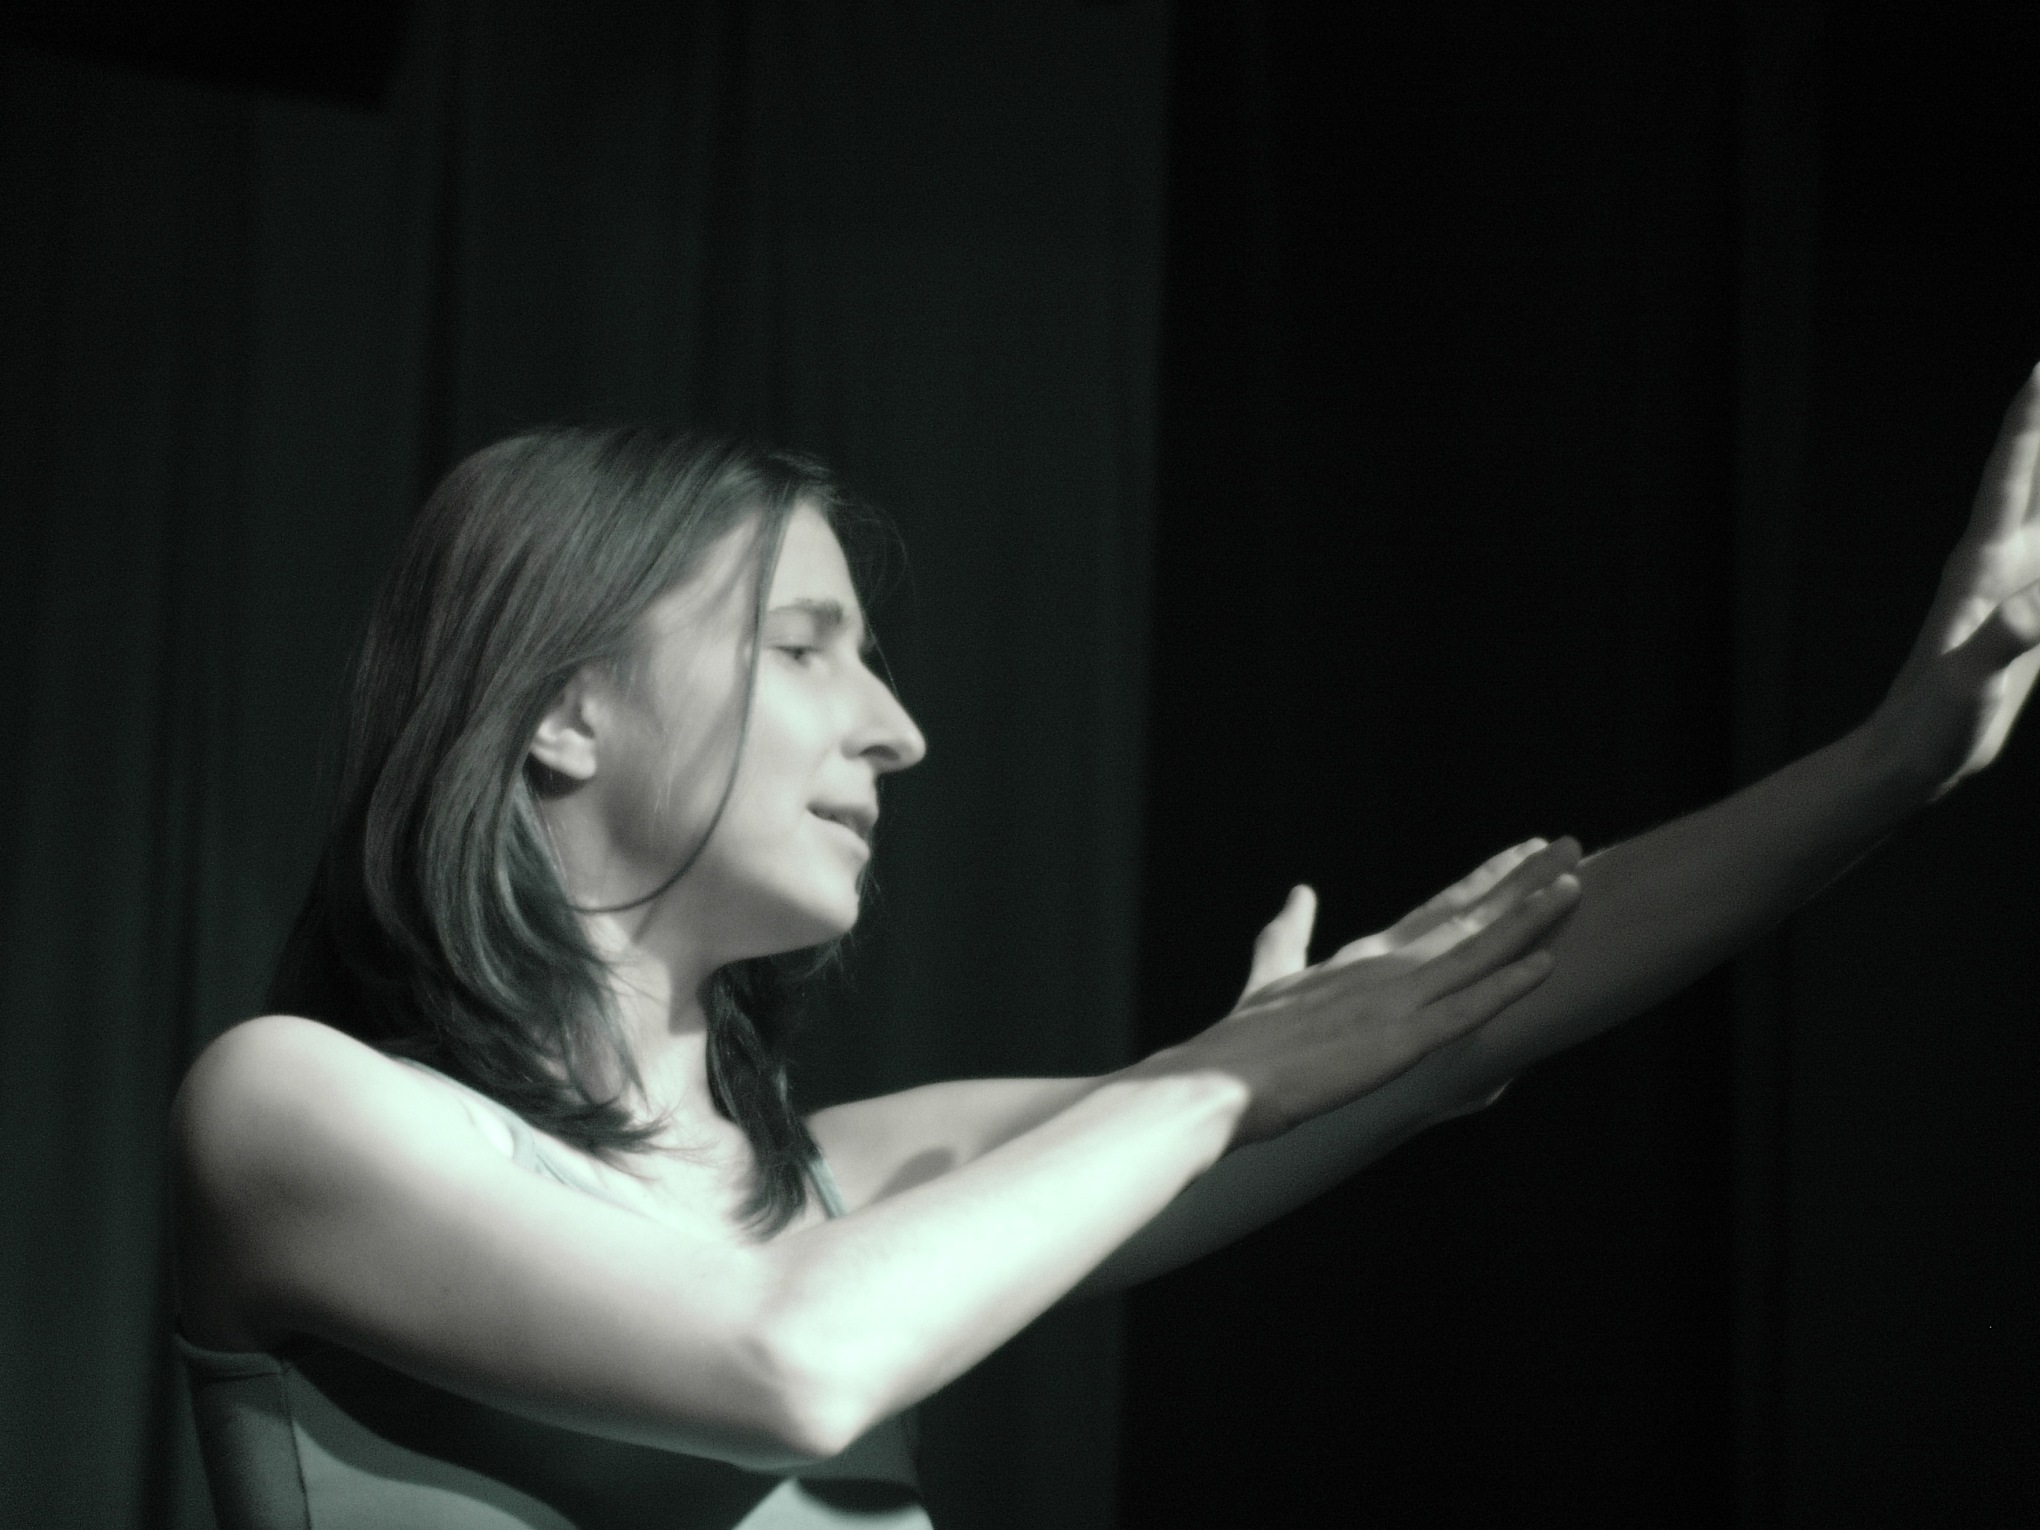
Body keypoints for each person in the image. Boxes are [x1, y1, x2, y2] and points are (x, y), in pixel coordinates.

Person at [172, 373, 2040, 1529]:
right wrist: (1221, 1078)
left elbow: (1479, 1006)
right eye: (808, 643)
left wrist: (1895, 763)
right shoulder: (286, 1108)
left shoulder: (857, 1184)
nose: (898, 727)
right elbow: (793, 1362)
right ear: (562, 710)